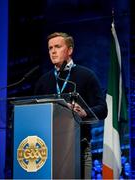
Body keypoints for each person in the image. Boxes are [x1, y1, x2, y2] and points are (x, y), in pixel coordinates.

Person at [34, 32, 108, 179]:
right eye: (50, 48)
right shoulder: (43, 81)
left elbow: (102, 109)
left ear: (69, 50)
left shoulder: (86, 75)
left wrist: (84, 112)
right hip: (48, 149)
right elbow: (35, 112)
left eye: (57, 47)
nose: (53, 51)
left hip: (79, 147)